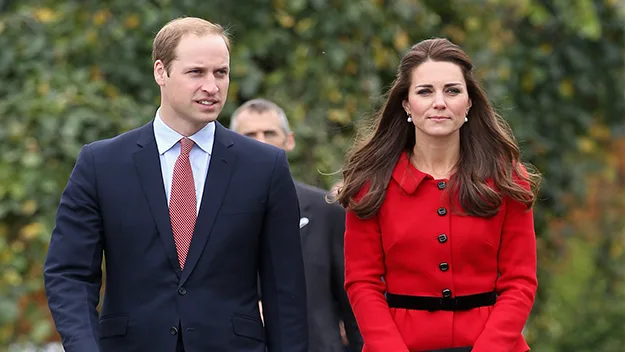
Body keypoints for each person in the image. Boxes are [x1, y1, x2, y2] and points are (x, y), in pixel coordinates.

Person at [43, 17, 308, 352]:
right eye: (196, 72)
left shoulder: (265, 166)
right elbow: (69, 274)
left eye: (221, 73)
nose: (212, 86)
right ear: (160, 72)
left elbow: (285, 291)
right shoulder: (101, 163)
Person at [335, 38, 542, 352]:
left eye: (452, 90)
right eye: (425, 91)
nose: (439, 102)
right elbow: (362, 283)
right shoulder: (371, 183)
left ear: (469, 102)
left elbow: (520, 283)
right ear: (406, 103)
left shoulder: (507, 178)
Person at [229, 98, 363, 352]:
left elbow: (354, 301)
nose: (261, 141)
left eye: (269, 133)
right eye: (249, 134)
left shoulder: (327, 211)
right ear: (232, 144)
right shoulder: (212, 213)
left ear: (289, 140)